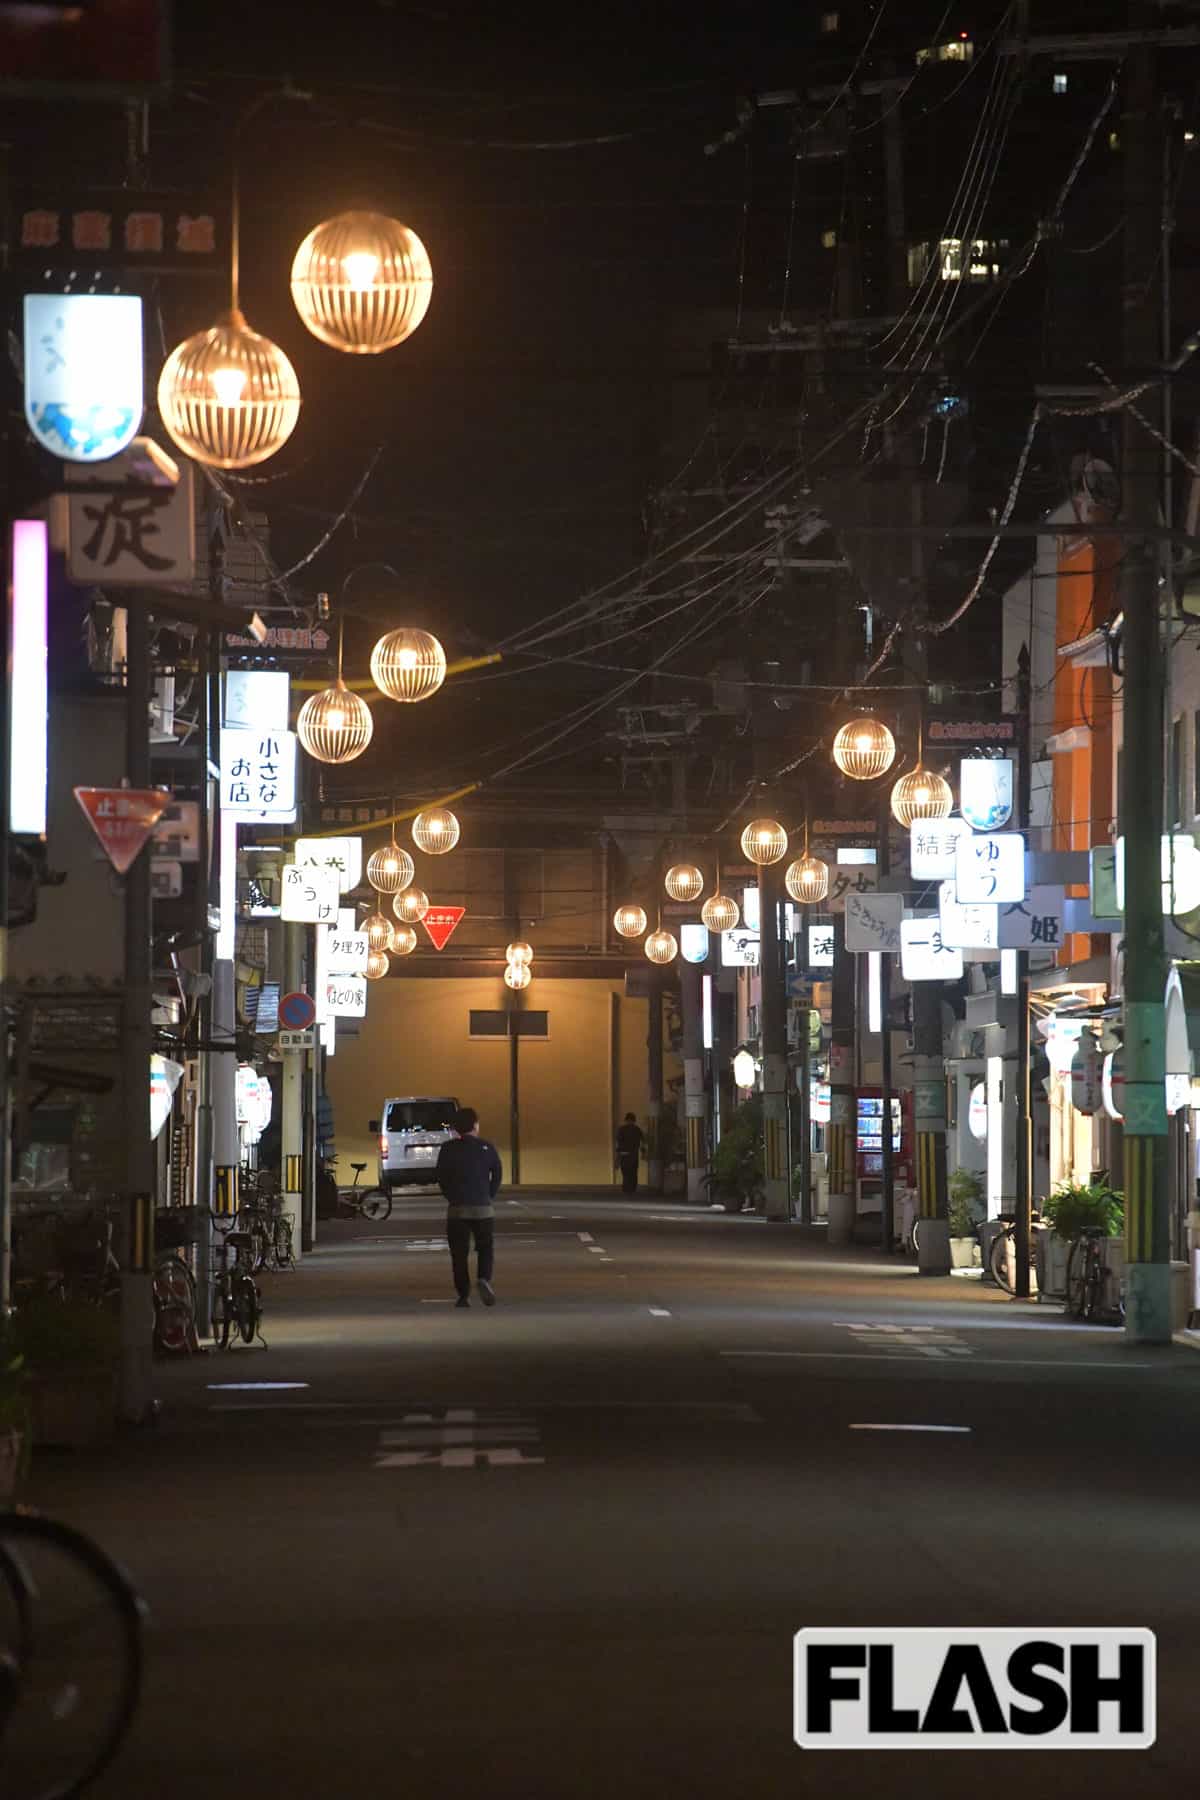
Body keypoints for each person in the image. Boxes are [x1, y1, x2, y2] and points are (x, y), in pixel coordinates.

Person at [436, 1105, 503, 1307]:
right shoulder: (487, 1147)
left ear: (456, 1128)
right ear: (475, 1125)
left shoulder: (447, 1149)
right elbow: (497, 1174)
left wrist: (452, 1197)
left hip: (457, 1209)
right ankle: (483, 1278)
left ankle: (463, 1295)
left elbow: (441, 1177)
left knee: (458, 1253)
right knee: (485, 1247)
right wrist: (488, 1195)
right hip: (483, 1208)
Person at [615, 1112, 643, 1195]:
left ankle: (626, 1189)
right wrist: (643, 1151)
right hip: (633, 1155)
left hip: (624, 1154)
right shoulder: (637, 1129)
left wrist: (618, 1155)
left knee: (626, 1173)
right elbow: (642, 1142)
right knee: (633, 1172)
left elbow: (618, 1142)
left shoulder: (622, 1129)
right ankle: (632, 1189)